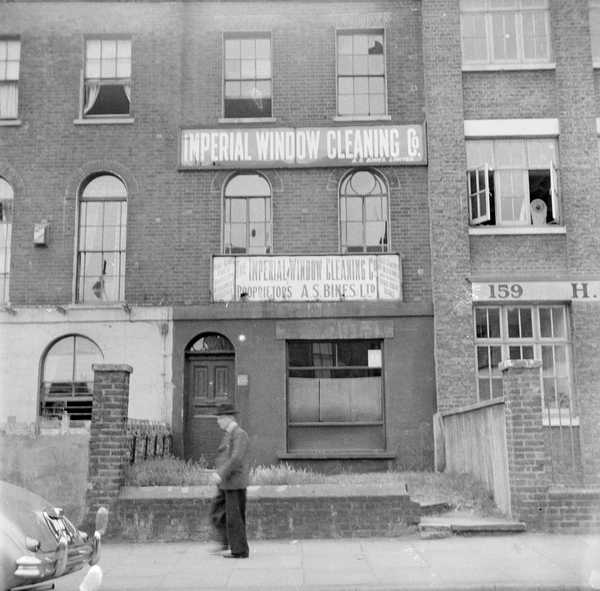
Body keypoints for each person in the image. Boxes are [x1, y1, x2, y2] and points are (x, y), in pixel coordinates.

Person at [209, 401, 250, 558]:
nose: (218, 422)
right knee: (218, 513)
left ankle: (240, 551)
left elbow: (236, 458)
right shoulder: (229, 434)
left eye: (219, 418)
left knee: (235, 518)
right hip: (226, 483)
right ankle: (226, 543)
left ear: (227, 418)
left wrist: (220, 474)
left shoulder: (239, 434)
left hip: (234, 483)